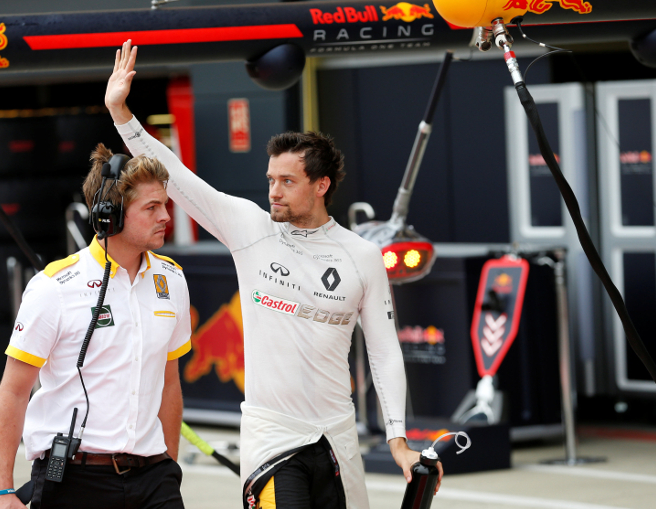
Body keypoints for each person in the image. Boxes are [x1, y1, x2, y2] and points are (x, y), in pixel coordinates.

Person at [106, 41, 443, 509]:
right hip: (271, 438)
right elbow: (176, 175)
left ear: (321, 185)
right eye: (270, 180)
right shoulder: (249, 227)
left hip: (338, 437)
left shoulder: (362, 255)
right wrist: (121, 112)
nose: (274, 192)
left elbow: (384, 354)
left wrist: (398, 439)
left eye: (287, 181)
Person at [0, 146, 192, 509]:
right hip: (75, 479)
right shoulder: (55, 286)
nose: (165, 216)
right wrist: (2, 491)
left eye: (165, 204)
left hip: (155, 479)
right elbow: (14, 392)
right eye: (151, 208)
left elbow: (170, 381)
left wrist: (169, 466)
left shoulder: (172, 279)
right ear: (109, 215)